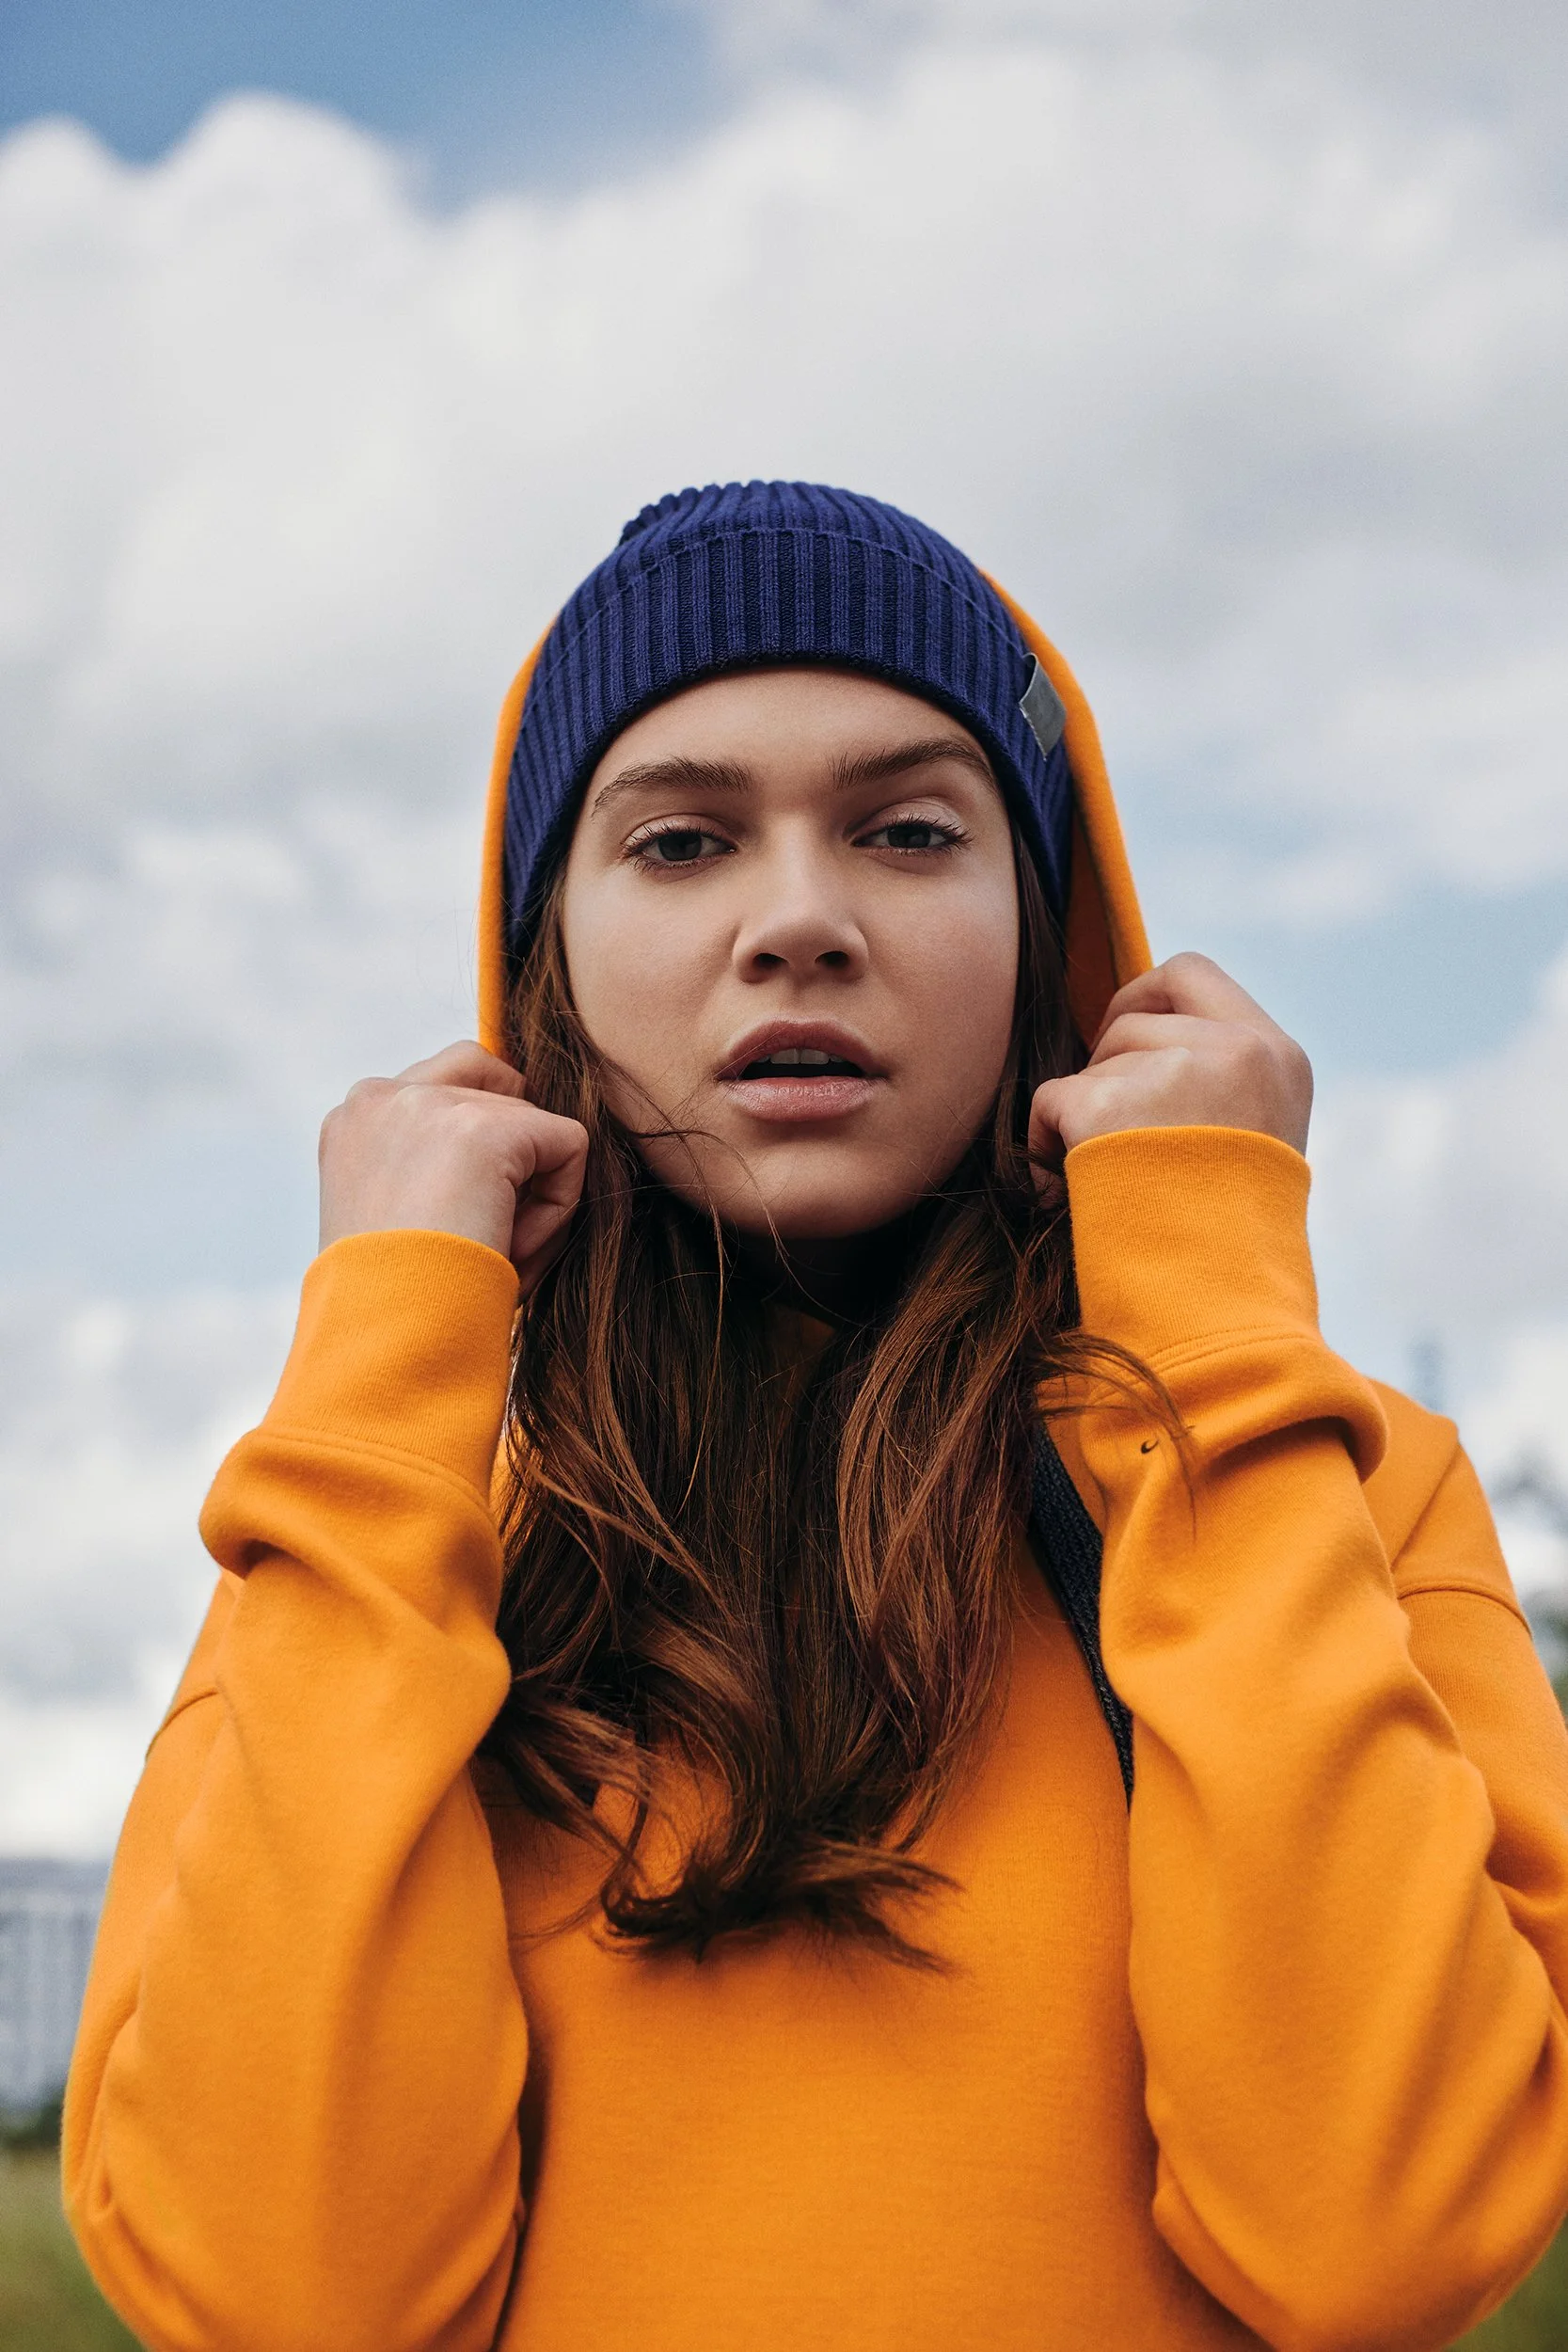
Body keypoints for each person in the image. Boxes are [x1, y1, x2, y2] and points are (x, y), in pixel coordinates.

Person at [64, 482, 1568, 2351]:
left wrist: (1197, 1312)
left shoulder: (1325, 1477)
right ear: (546, 959)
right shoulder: (395, 1516)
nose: (796, 920)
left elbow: (1383, 2236)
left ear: (1045, 935)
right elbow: (286, 2297)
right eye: (683, 839)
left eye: (911, 828)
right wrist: (382, 1354)